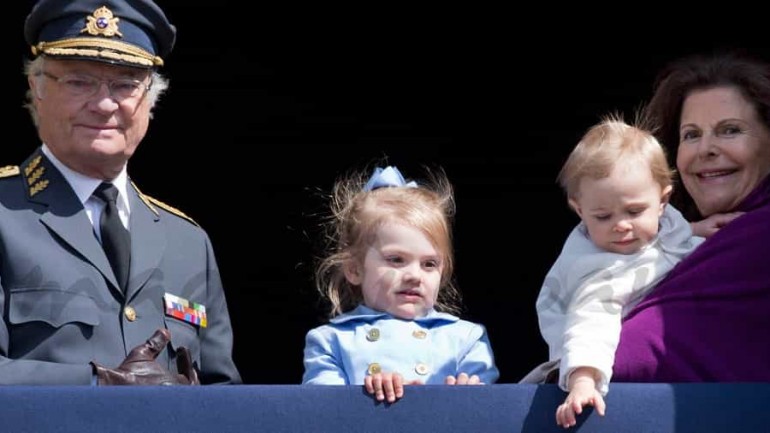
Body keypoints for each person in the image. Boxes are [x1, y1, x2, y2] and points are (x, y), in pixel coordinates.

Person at [0, 0, 241, 385]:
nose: (104, 104)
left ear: (150, 98)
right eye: (79, 82)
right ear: (37, 88)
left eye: (126, 84)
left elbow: (223, 392)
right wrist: (99, 384)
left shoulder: (188, 243)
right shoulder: (4, 213)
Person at [530, 114, 740, 428]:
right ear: (579, 210)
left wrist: (697, 231)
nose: (622, 225)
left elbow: (669, 241)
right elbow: (590, 323)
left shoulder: (664, 224)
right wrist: (584, 380)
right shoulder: (597, 270)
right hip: (584, 352)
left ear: (662, 201)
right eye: (603, 216)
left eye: (634, 211)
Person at [611, 50, 770, 385]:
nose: (705, 149)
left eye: (729, 130)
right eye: (691, 135)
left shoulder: (760, 236)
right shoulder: (676, 240)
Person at [302, 165, 499, 402]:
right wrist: (367, 395)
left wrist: (467, 395)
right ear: (354, 269)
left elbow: (489, 411)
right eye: (396, 260)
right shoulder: (330, 341)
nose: (414, 275)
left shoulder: (466, 339)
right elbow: (320, 411)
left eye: (429, 264)